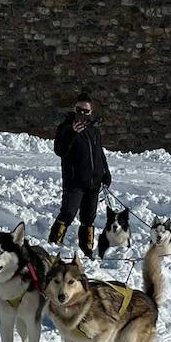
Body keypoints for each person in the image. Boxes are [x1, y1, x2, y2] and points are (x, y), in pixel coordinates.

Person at [51, 94, 111, 258]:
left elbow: (99, 154)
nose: (82, 114)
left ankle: (87, 250)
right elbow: (59, 151)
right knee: (68, 214)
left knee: (88, 218)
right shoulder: (65, 128)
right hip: (74, 182)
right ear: (74, 109)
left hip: (94, 183)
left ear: (91, 111)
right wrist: (72, 133)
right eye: (79, 110)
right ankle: (52, 245)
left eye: (85, 111)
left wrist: (106, 173)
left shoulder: (94, 130)